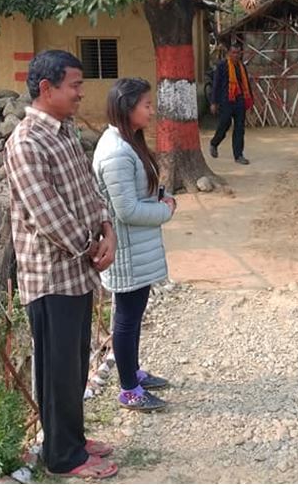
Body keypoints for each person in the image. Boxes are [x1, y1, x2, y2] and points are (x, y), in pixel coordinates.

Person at [4, 50, 119, 479]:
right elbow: (47, 215)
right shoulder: (26, 144)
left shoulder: (65, 132)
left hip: (78, 271)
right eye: (74, 85)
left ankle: (74, 439)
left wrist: (107, 228)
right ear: (46, 88)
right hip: (51, 277)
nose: (80, 93)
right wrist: (92, 247)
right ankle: (62, 457)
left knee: (74, 366)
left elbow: (89, 189)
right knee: (56, 370)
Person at [92, 78, 176, 412]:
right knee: (126, 319)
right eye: (146, 105)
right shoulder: (116, 152)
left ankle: (133, 372)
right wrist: (165, 211)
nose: (151, 111)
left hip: (136, 248)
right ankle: (129, 389)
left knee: (133, 314)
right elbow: (126, 210)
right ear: (128, 108)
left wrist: (159, 198)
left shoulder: (128, 142)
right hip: (126, 250)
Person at [209, 39, 253, 165]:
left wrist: (250, 101)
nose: (236, 55)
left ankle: (238, 155)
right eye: (233, 53)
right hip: (226, 100)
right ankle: (214, 143)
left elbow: (246, 84)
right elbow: (216, 84)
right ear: (229, 53)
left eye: (238, 53)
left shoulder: (242, 67)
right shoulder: (222, 66)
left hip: (240, 101)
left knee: (239, 128)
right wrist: (214, 102)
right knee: (225, 124)